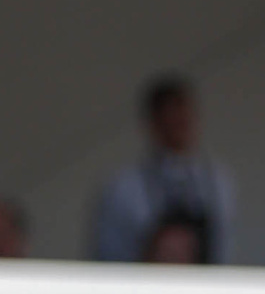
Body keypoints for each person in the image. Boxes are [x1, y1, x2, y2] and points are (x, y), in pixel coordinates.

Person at [92, 75, 237, 265]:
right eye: (170, 121)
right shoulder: (124, 187)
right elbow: (109, 255)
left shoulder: (218, 180)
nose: (177, 127)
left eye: (182, 120)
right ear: (153, 123)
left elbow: (222, 247)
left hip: (204, 288)